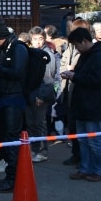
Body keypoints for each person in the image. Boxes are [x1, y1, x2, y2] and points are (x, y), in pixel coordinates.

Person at [63, 27, 101, 182]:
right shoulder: (88, 55)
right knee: (83, 139)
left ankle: (100, 170)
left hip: (93, 104)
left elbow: (98, 80)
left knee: (94, 140)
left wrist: (75, 76)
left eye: (77, 45)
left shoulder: (98, 56)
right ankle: (85, 168)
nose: (76, 48)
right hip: (83, 104)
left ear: (84, 41)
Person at [0, 19, 28, 193]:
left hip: (13, 99)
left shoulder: (18, 48)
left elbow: (17, 72)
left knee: (11, 139)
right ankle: (12, 175)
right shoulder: (3, 48)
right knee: (5, 138)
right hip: (3, 98)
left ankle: (13, 178)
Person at [61, 17, 89, 166]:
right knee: (71, 125)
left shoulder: (89, 50)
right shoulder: (70, 47)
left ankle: (85, 159)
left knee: (83, 130)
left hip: (80, 91)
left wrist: (73, 70)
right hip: (68, 88)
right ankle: (76, 154)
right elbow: (63, 63)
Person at [27, 26, 58, 163]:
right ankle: (34, 149)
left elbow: (48, 79)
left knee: (40, 123)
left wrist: (41, 95)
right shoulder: (32, 53)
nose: (38, 42)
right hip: (30, 93)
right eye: (35, 39)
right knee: (31, 123)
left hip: (40, 95)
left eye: (40, 39)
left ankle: (41, 150)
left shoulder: (47, 55)